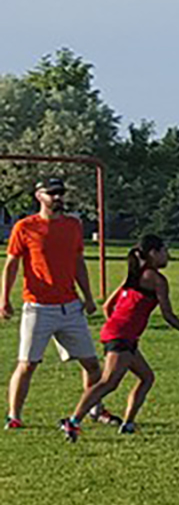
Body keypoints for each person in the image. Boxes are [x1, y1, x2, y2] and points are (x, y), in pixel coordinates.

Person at [61, 235, 179, 440]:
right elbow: (168, 315)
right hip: (121, 337)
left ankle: (128, 424)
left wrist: (117, 324)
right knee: (108, 382)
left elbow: (108, 306)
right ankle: (73, 421)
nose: (168, 256)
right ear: (153, 254)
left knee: (147, 377)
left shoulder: (134, 276)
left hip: (122, 335)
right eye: (165, 251)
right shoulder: (157, 280)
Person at [3, 178, 110, 431]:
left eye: (60, 193)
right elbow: (11, 265)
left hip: (70, 307)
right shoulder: (25, 227)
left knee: (92, 365)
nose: (58, 198)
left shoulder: (73, 225)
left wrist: (88, 296)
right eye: (52, 194)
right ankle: (14, 416)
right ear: (39, 196)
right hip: (37, 307)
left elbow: (78, 263)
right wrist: (4, 299)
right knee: (27, 364)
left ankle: (95, 409)